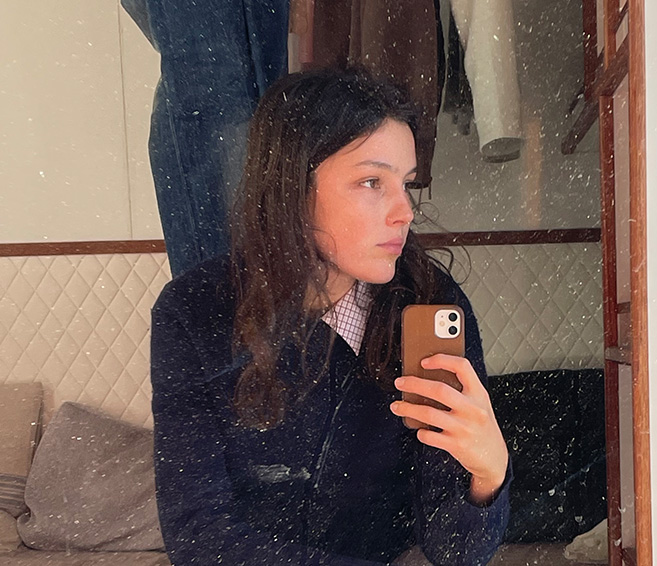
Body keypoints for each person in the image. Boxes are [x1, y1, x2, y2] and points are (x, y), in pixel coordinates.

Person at [149, 68, 511, 566]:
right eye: (371, 181)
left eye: (406, 184)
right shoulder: (195, 309)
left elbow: (454, 551)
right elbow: (198, 535)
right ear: (292, 186)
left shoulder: (429, 303)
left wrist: (488, 477)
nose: (404, 211)